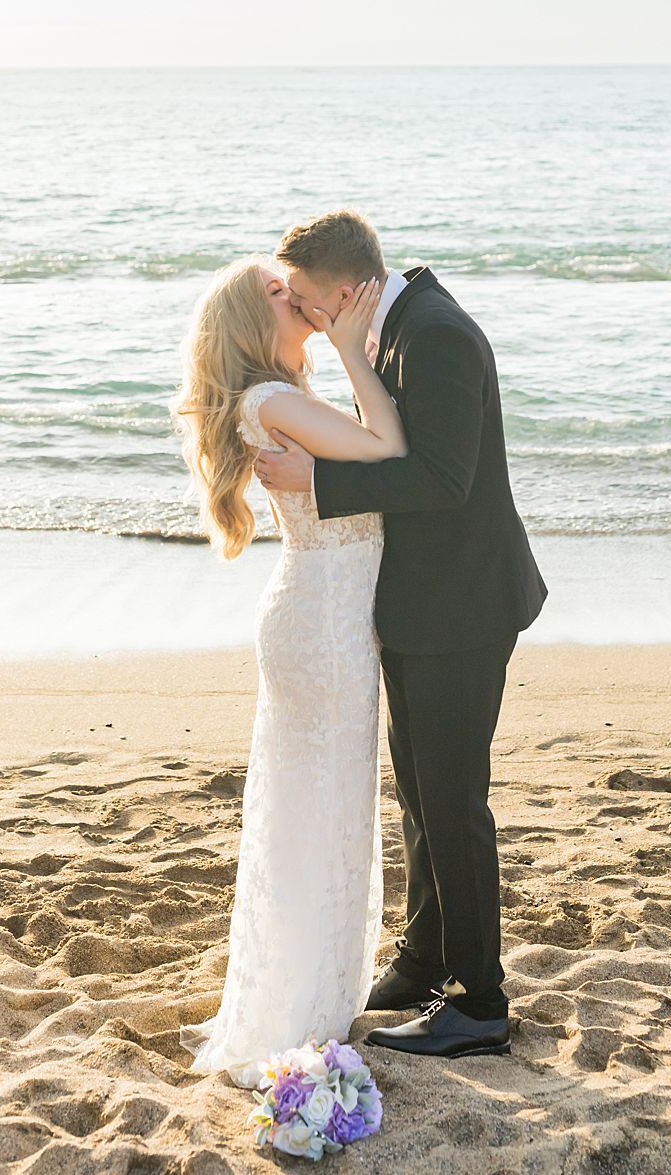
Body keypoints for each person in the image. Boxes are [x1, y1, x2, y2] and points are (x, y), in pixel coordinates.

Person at [257, 210, 548, 1059]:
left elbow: (444, 479)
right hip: (421, 603)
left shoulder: (438, 335)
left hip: (463, 606)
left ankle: (480, 1003)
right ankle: (424, 958)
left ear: (345, 294)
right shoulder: (389, 326)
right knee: (421, 796)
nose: (307, 318)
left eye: (310, 305)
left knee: (453, 803)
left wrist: (319, 477)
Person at [171, 254, 406, 1087]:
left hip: (316, 614)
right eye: (279, 293)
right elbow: (389, 447)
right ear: (251, 322)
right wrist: (351, 346)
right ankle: (301, 1006)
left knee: (316, 813)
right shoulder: (273, 401)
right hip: (325, 625)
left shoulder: (271, 399)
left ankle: (307, 993)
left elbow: (355, 465)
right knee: (324, 814)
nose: (295, 295)